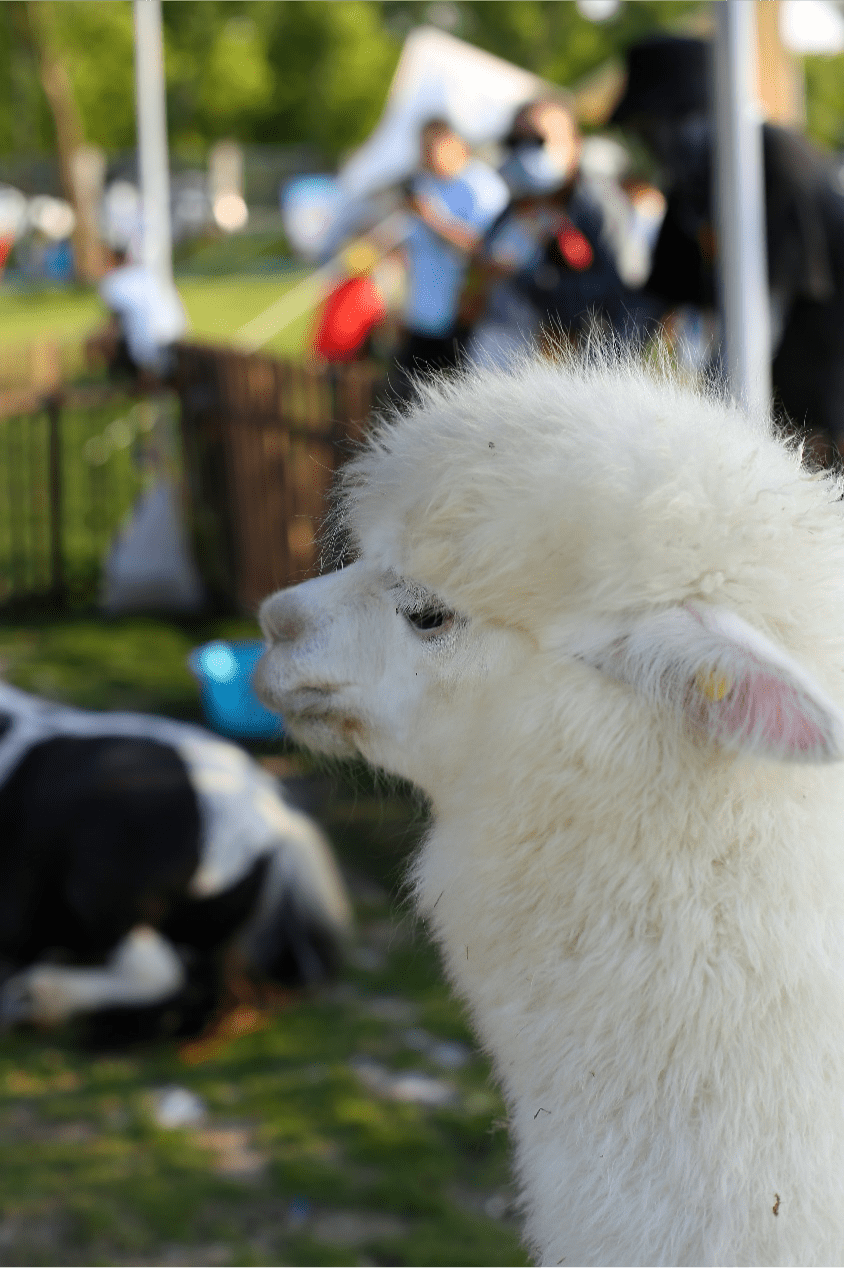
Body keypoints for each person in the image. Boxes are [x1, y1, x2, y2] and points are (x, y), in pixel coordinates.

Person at [612, 34, 844, 463]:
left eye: (651, 127)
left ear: (695, 118)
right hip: (773, 375)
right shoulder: (692, 185)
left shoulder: (774, 160)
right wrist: (601, 381)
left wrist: (715, 420)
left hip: (824, 375)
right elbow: (654, 300)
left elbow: (762, 310)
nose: (649, 144)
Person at [467, 95, 654, 368]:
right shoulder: (519, 199)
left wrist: (534, 279)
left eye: (537, 141)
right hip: (494, 349)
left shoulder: (597, 204)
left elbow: (624, 287)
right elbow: (485, 260)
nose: (524, 152)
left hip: (560, 362)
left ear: (574, 145)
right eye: (516, 142)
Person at [391, 118, 508, 397]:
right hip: (423, 316)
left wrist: (434, 219)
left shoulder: (483, 187)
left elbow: (486, 250)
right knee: (407, 401)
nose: (426, 155)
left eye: (432, 147)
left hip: (463, 315)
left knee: (460, 403)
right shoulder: (423, 183)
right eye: (423, 148)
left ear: (458, 146)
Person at [97, 249, 187, 382]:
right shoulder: (150, 275)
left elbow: (112, 325)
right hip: (178, 338)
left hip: (147, 349)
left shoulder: (113, 282)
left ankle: (134, 382)